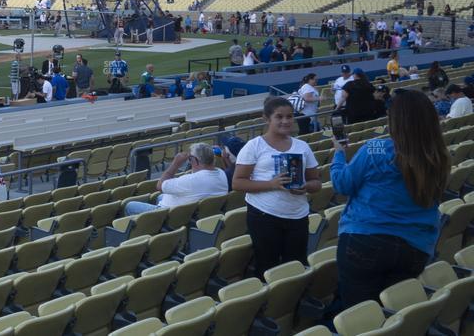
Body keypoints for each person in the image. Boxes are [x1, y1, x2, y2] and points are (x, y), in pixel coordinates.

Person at [330, 90, 450, 312]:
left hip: (365, 241)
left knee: (361, 316)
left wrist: (339, 154)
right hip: (415, 248)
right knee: (393, 315)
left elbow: (341, 184)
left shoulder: (375, 149)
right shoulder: (438, 155)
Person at [232, 96, 321, 276]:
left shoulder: (302, 146)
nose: (285, 121)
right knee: (267, 267)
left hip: (298, 215)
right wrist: (271, 184)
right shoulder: (254, 146)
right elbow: (237, 182)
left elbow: (316, 182)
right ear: (267, 119)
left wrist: (305, 186)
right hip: (264, 216)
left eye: (289, 116)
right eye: (279, 117)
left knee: (296, 266)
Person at [124, 143, 229, 215]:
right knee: (160, 196)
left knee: (129, 205)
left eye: (190, 159)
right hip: (194, 211)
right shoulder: (221, 173)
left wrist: (175, 164)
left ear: (194, 160)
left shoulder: (190, 180)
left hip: (168, 214)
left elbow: (160, 185)